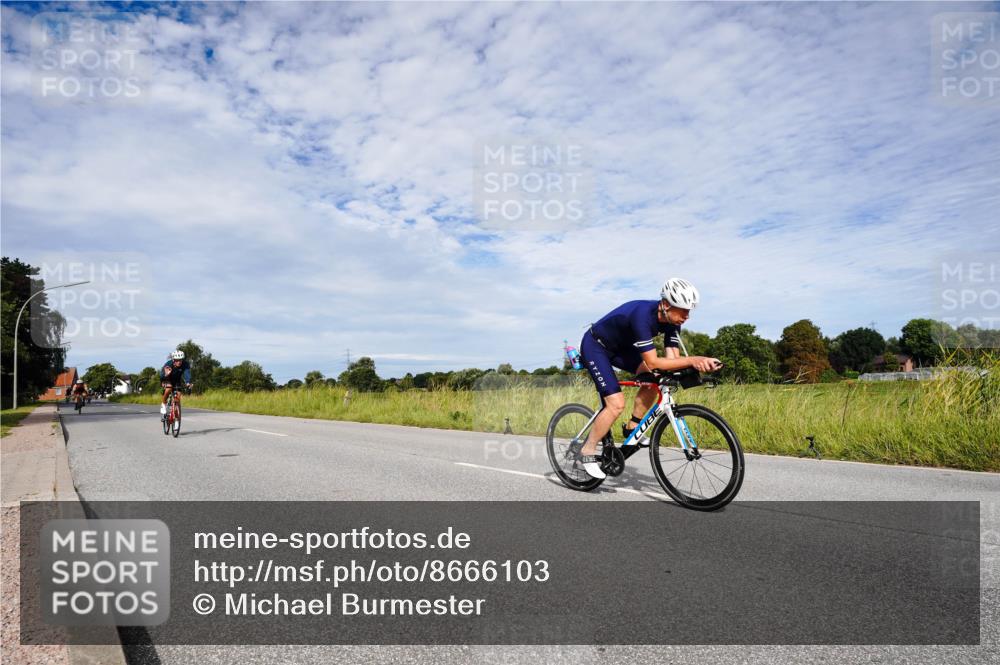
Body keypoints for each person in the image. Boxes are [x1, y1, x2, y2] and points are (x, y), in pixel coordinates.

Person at [577, 278, 722, 479]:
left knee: (657, 379)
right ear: (665, 305)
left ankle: (632, 427)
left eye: (689, 311)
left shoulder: (673, 322)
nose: (687, 316)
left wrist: (699, 365)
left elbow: (673, 360)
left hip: (622, 350)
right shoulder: (642, 317)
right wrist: (694, 359)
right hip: (596, 346)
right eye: (683, 310)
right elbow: (653, 362)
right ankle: (587, 450)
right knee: (616, 404)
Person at [160, 350, 193, 418]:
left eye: (180, 360)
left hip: (177, 380)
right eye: (177, 360)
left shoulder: (185, 364)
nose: (179, 362)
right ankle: (163, 404)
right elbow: (161, 375)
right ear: (173, 360)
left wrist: (188, 382)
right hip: (167, 379)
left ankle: (175, 412)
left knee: (178, 396)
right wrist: (165, 375)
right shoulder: (168, 364)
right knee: (169, 388)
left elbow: (187, 373)